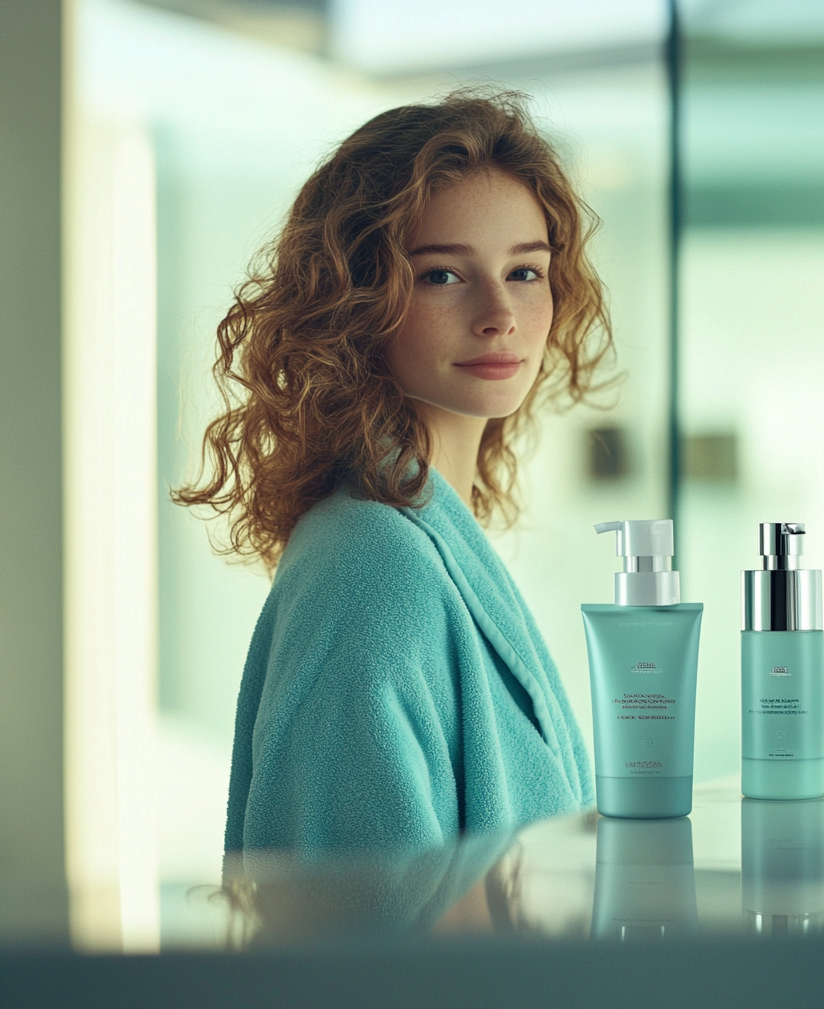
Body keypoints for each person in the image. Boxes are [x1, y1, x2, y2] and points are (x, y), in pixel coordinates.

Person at [174, 90, 614, 860]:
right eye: (443, 276)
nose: (499, 314)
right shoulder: (371, 571)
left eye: (525, 271)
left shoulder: (425, 538)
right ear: (355, 298)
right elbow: (348, 946)